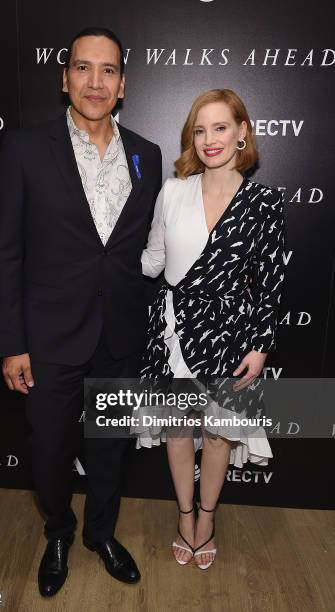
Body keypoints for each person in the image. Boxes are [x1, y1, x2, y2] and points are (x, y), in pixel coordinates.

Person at [0, 27, 162, 596]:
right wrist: (12, 342)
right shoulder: (24, 149)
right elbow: (8, 254)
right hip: (49, 337)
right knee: (49, 451)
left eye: (108, 70)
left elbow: (138, 250)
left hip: (118, 334)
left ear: (123, 84)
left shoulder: (147, 155)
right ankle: (59, 532)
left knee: (110, 450)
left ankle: (101, 534)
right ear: (65, 78)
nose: (95, 81)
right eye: (83, 69)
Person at [139, 89, 285, 570]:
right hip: (175, 328)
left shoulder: (263, 203)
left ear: (242, 132)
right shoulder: (173, 190)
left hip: (230, 334)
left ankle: (208, 517)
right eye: (200, 130)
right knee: (179, 429)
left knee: (219, 433)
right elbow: (154, 260)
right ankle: (184, 516)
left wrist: (260, 346)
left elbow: (269, 282)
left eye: (220, 127)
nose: (210, 139)